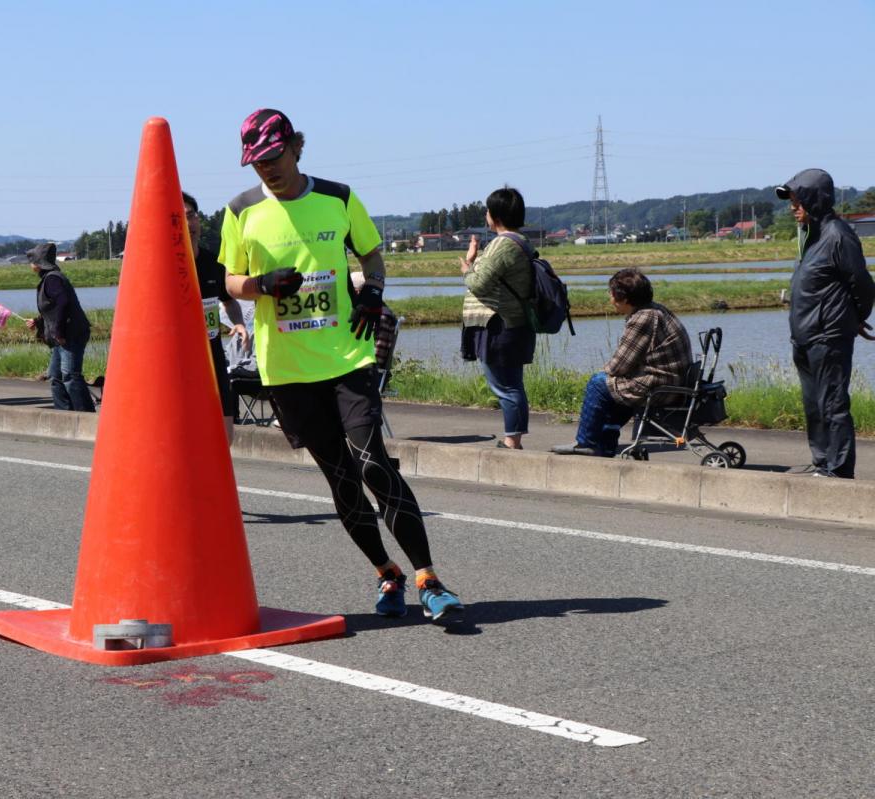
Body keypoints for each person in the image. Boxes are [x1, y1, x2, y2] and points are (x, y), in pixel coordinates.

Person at [221, 108, 463, 625]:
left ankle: (429, 579)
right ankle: (386, 572)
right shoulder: (240, 210)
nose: (266, 169)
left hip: (346, 357)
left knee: (372, 461)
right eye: (256, 162)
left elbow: (372, 257)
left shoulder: (338, 197)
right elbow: (231, 282)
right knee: (340, 480)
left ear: (295, 148)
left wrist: (372, 293)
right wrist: (262, 286)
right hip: (286, 369)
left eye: (273, 157)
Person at [776, 169, 875, 479]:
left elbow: (862, 284)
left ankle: (839, 470)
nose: (793, 208)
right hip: (804, 336)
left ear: (815, 200)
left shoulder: (838, 235)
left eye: (797, 201)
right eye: (791, 202)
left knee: (832, 404)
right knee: (814, 407)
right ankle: (822, 464)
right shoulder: (810, 235)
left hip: (829, 336)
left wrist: (855, 319)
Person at [552, 269, 691, 457]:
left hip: (661, 387)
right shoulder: (655, 309)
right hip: (672, 382)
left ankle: (586, 442)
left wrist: (603, 373)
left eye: (611, 293)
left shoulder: (643, 319)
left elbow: (619, 366)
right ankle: (605, 445)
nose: (609, 298)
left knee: (598, 383)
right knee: (613, 385)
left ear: (623, 298)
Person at [459, 188, 537, 450]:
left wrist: (467, 269)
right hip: (509, 323)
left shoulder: (503, 244)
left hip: (500, 324)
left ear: (496, 215)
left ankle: (512, 441)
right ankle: (513, 438)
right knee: (509, 383)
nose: (486, 215)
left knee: (505, 385)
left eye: (487, 210)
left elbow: (479, 283)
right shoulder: (518, 241)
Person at [184, 191, 249, 443]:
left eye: (192, 216)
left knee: (225, 435)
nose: (189, 224)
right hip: (179, 363)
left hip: (212, 358)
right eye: (180, 217)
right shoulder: (162, 266)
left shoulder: (214, 263)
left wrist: (239, 323)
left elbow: (229, 300)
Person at [24, 241, 96, 411]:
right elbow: (54, 308)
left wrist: (58, 332)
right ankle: (63, 413)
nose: (30, 264)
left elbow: (63, 303)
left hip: (69, 334)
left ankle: (85, 414)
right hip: (62, 333)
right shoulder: (51, 278)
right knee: (55, 376)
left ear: (39, 263)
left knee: (70, 375)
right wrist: (39, 321)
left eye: (32, 260)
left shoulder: (52, 279)